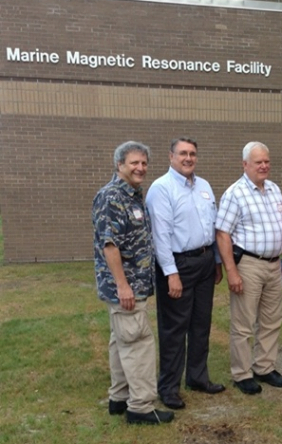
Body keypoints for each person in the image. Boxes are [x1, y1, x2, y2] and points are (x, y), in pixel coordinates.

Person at [92, 141, 174, 425]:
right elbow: (110, 245)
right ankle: (140, 406)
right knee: (138, 343)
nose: (140, 168)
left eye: (144, 163)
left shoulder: (134, 195)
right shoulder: (112, 197)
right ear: (119, 165)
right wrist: (123, 286)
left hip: (133, 286)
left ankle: (119, 396)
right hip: (126, 288)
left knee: (121, 341)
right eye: (134, 163)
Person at [145, 137, 225, 411]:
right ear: (171, 156)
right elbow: (160, 236)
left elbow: (211, 226)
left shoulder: (203, 186)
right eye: (182, 153)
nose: (188, 158)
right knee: (174, 329)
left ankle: (197, 377)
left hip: (204, 262)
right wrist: (171, 273)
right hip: (177, 264)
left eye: (192, 153)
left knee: (201, 324)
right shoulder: (161, 189)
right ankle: (168, 387)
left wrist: (215, 261)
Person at [215, 142, 282, 395]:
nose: (263, 166)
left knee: (272, 321)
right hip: (248, 264)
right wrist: (232, 272)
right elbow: (223, 234)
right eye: (258, 162)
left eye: (266, 161)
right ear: (245, 164)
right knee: (244, 323)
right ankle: (242, 373)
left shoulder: (274, 189)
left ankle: (264, 367)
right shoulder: (235, 193)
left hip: (274, 265)